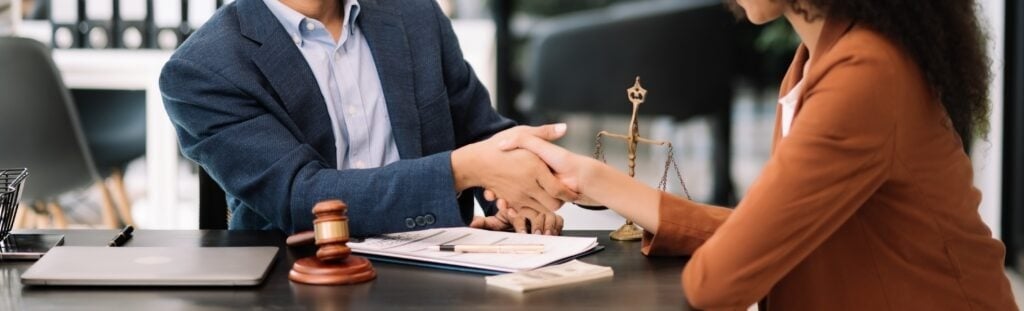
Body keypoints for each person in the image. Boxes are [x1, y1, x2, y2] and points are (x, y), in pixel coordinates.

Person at [497, 0, 1016, 309]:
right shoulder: (816, 61)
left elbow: (720, 280)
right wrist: (592, 178)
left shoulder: (864, 77)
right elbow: (770, 233)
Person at [159, 0, 571, 236]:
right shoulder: (202, 69)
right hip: (295, 280)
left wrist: (515, 202)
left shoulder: (414, 15)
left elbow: (480, 131)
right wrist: (461, 170)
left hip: (437, 266)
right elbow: (300, 198)